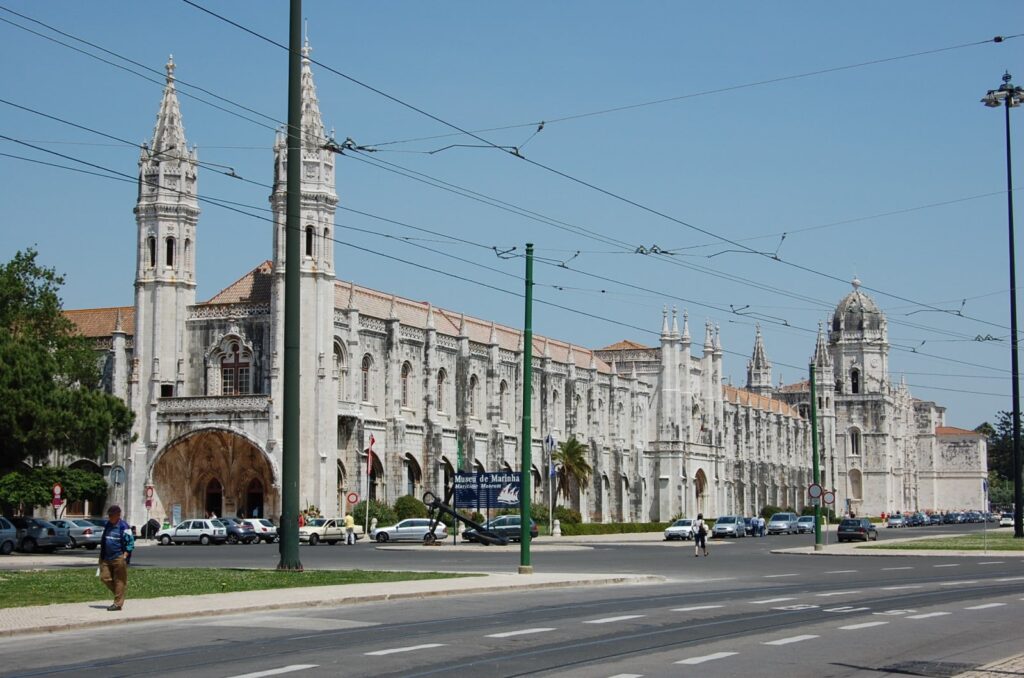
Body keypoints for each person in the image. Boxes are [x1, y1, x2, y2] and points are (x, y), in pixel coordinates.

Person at [98, 505, 135, 611]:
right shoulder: (108, 525)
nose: (109, 517)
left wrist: (125, 555)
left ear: (118, 515)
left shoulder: (124, 526)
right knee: (104, 578)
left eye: (111, 515)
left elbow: (130, 541)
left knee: (120, 580)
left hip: (119, 557)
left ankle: (118, 604)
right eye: (109, 515)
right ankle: (120, 594)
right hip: (106, 557)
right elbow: (104, 539)